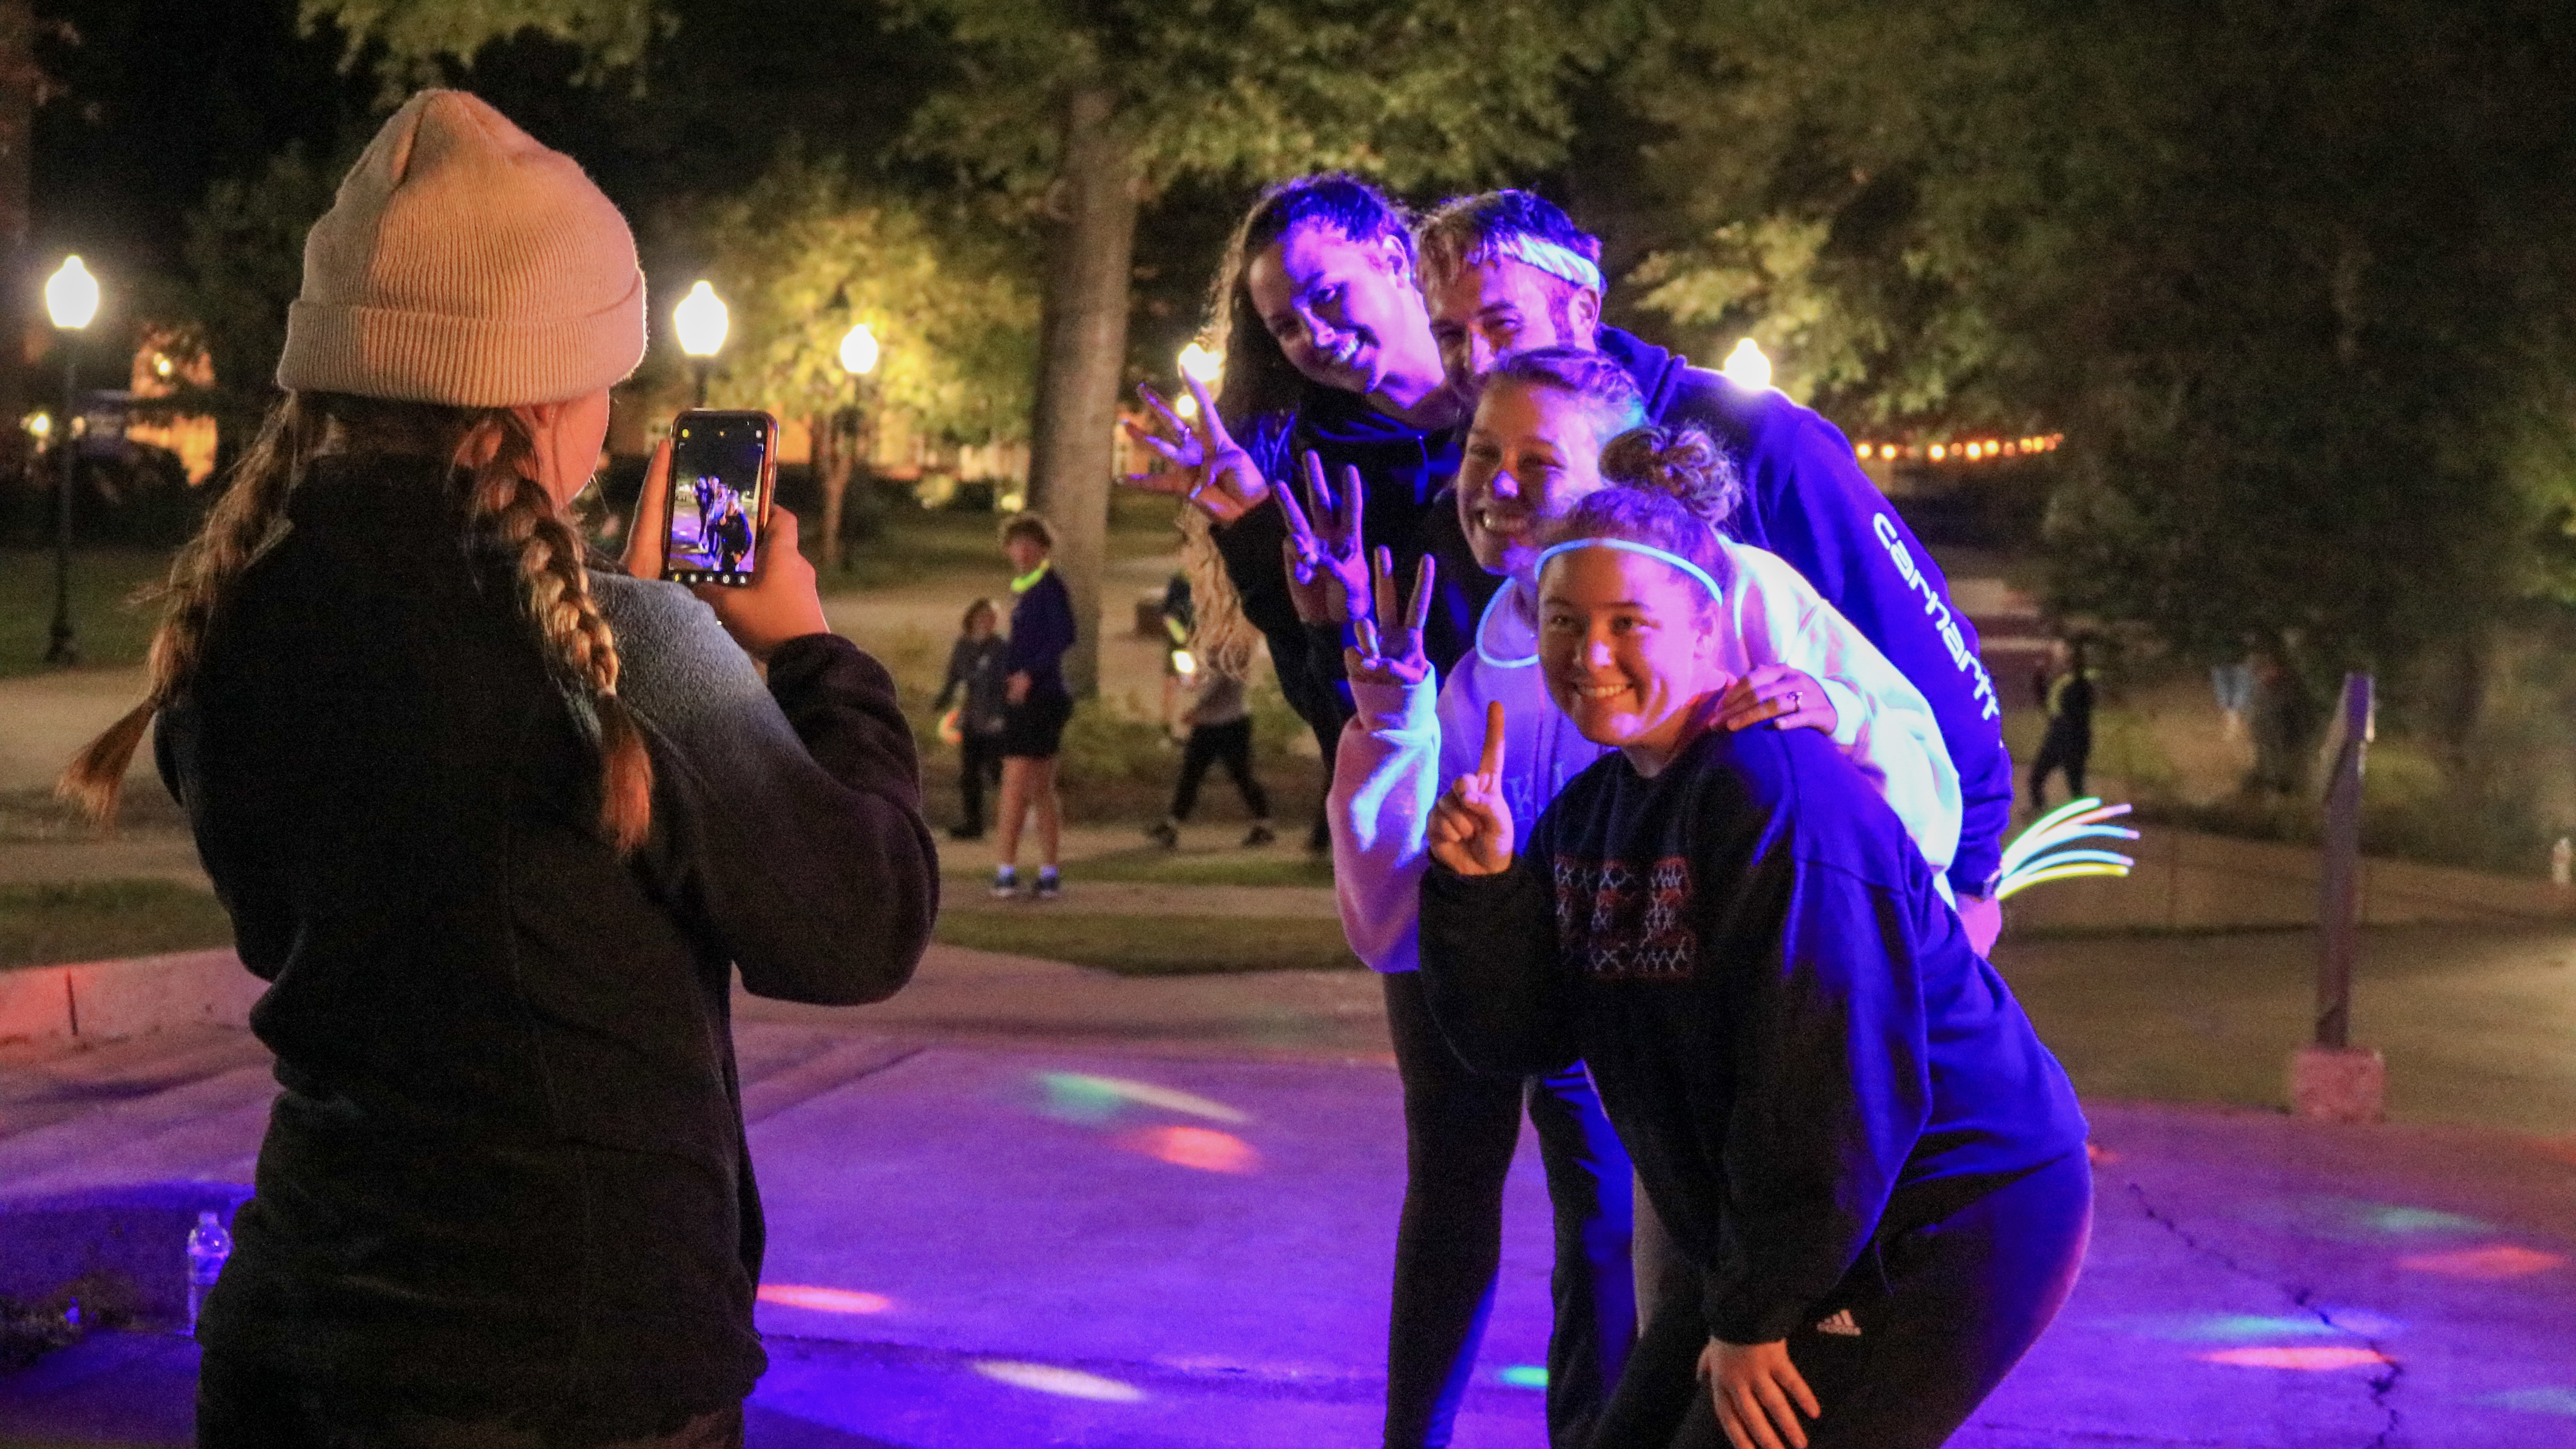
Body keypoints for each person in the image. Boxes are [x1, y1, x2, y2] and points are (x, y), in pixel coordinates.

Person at [57, 91, 938, 1449]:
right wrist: (811, 654)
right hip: (573, 1364)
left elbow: (335, 914)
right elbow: (857, 921)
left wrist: (653, 642)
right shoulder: (632, 654)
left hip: (305, 1334)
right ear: (546, 393)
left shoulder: (232, 626)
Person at [1318, 347, 1960, 1449]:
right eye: (1481, 453)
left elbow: (1916, 811)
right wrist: (1394, 732)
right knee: (1633, 1295)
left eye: (1536, 458)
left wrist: (1836, 715)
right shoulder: (1488, 667)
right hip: (1657, 1050)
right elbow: (1402, 933)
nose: (1499, 483)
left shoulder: (1740, 607)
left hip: (1834, 1126)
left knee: (1641, 1261)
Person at [1414, 486, 2090, 1449]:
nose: (1588, 653)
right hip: (1795, 1227)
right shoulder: (1598, 809)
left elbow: (1827, 1077)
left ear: (1706, 630)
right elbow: (1521, 1035)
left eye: (1627, 622)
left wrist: (1759, 1310)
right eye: (1563, 620)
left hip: (1944, 1211)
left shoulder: (1779, 801)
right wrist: (1483, 891)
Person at [1411, 189, 2014, 955]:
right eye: (1450, 336)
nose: (1480, 359)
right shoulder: (1497, 499)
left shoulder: (1761, 441)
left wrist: (1973, 875)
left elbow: (1924, 642)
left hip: (1839, 924)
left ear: (1583, 308)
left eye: (1501, 323)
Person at [1121, 174, 1493, 774]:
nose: (1316, 335)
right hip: (1436, 808)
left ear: (1395, 259)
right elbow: (1329, 714)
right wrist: (1257, 537)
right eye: (1286, 327)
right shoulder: (1312, 477)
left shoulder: (1520, 406)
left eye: (1326, 294)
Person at [993, 511, 1076, 899]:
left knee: (1021, 785)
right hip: (1022, 697)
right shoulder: (1022, 589)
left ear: (1043, 548)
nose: (1022, 551)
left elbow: (1063, 636)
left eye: (1031, 544)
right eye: (1016, 543)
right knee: (1034, 786)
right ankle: (1034, 870)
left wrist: (1029, 673)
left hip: (1042, 699)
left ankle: (1017, 870)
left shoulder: (1048, 587)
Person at [1146, 659, 1276, 848]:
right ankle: (1172, 824)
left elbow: (1215, 687)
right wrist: (1186, 675)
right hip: (1212, 725)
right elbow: (1196, 683)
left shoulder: (1230, 656)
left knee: (1240, 775)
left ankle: (1264, 823)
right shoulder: (1211, 656)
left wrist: (1195, 709)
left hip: (1229, 725)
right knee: (1192, 775)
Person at [934, 597, 1010, 840]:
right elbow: (955, 677)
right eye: (983, 616)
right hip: (973, 717)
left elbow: (1003, 685)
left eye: (992, 618)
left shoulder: (1000, 648)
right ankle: (973, 823)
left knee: (997, 771)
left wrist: (1000, 715)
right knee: (970, 773)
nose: (987, 622)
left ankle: (1016, 818)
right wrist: (943, 700)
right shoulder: (963, 646)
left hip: (994, 719)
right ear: (972, 618)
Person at [2028, 637, 2097, 810]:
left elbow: (2059, 709)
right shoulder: (2066, 683)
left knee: (2069, 783)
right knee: (2041, 779)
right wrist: (2039, 680)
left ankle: (2045, 811)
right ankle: (2042, 810)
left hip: (2068, 739)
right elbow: (2049, 704)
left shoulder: (2077, 684)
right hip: (2065, 738)